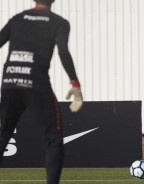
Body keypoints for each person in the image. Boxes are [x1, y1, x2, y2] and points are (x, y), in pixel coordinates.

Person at [0, 0, 83, 183]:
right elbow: (63, 51)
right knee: (53, 137)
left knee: (3, 134)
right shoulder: (59, 22)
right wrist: (75, 83)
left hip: (9, 82)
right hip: (36, 83)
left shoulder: (18, 19)